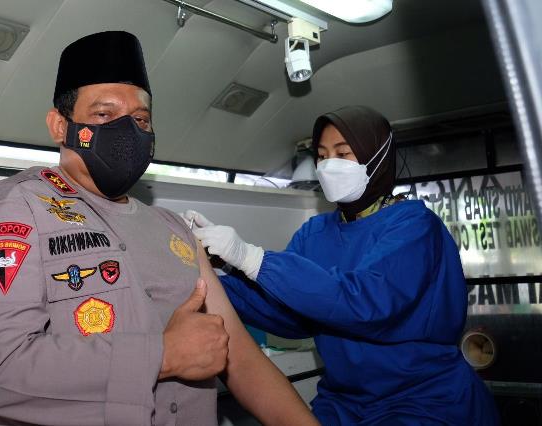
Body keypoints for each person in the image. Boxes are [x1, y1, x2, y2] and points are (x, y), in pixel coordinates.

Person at [0, 31, 319, 426]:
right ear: (59, 126)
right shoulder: (14, 211)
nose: (128, 132)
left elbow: (241, 358)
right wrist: (164, 356)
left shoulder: (173, 228)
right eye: (104, 115)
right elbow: (0, 371)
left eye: (140, 120)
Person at [184, 106, 500, 425]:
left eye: (343, 153)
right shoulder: (314, 233)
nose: (328, 165)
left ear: (376, 157)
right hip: (344, 402)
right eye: (322, 156)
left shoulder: (413, 225)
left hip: (421, 397)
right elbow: (291, 316)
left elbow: (365, 302)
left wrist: (250, 257)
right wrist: (214, 273)